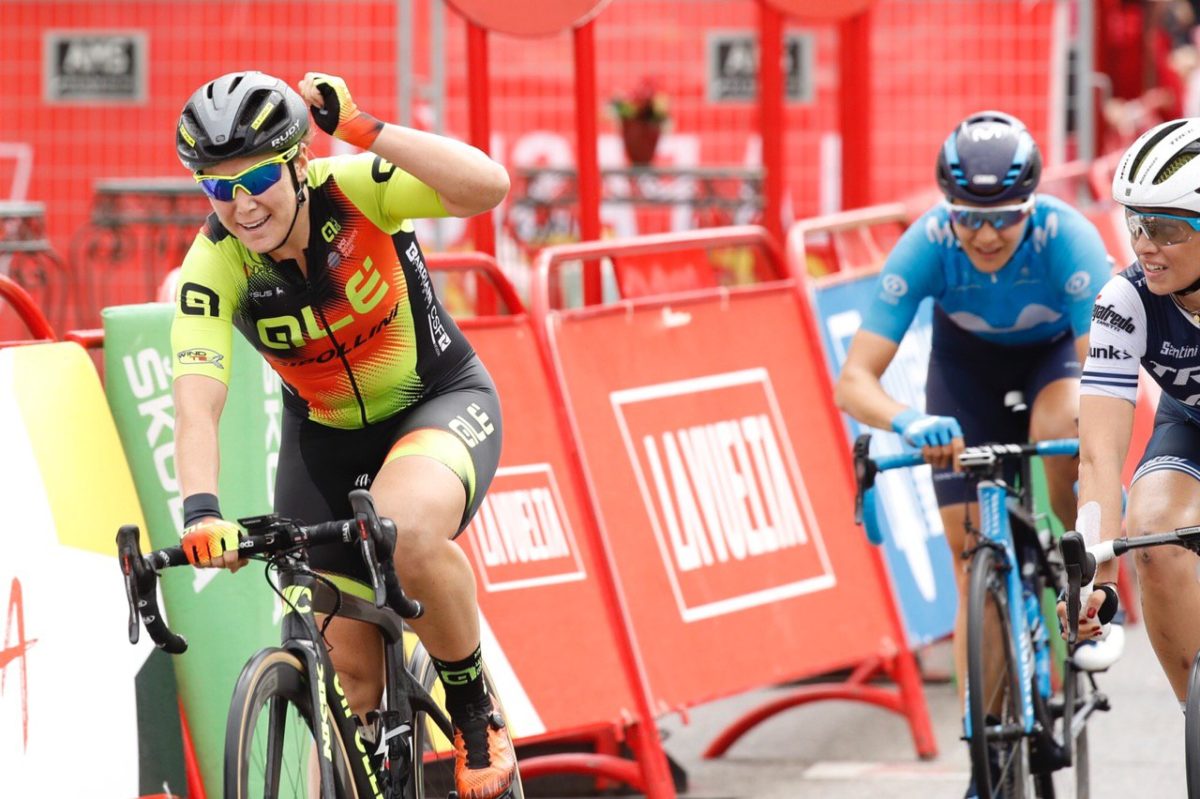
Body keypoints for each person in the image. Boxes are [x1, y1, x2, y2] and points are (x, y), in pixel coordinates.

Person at [170, 70, 514, 799]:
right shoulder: (215, 264)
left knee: (404, 528)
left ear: (299, 161)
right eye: (218, 187)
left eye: (258, 178)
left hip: (436, 402)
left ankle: (473, 707)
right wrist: (201, 511)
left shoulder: (358, 189)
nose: (242, 204)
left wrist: (365, 130)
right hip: (324, 442)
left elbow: (488, 187)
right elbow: (196, 400)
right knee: (346, 679)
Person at [833, 110, 1112, 797]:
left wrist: (1094, 467)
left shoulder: (1068, 237)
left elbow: (1103, 377)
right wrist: (910, 421)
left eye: (1005, 218)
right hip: (964, 374)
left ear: (1032, 206)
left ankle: (1080, 575)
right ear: (947, 209)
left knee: (1066, 422)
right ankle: (986, 752)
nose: (986, 235)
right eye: (968, 218)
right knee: (972, 560)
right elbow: (854, 380)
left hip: (1055, 363)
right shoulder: (928, 243)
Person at [1066, 117, 1200, 714]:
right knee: (1150, 535)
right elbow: (1100, 455)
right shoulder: (1124, 302)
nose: (1144, 244)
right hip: (1190, 423)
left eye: (1166, 227)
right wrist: (1094, 576)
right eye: (1135, 222)